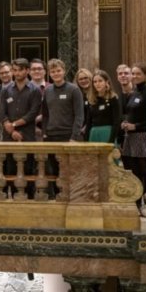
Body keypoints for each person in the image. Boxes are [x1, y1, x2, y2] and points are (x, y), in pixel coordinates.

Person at [41, 59, 85, 197]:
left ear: (64, 71)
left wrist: (74, 136)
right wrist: (44, 132)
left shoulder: (74, 89)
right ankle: (55, 196)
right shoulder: (47, 91)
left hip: (68, 136)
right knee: (52, 169)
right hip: (51, 136)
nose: (56, 73)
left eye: (58, 70)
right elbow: (45, 114)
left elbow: (79, 115)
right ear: (49, 73)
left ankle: (71, 195)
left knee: (69, 169)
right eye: (53, 71)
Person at [0, 59, 42, 193]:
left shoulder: (35, 90)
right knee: (10, 170)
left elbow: (32, 114)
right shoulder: (6, 90)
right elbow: (2, 112)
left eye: (20, 70)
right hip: (9, 136)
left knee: (28, 170)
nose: (17, 73)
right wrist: (10, 128)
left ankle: (28, 201)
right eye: (15, 70)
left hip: (27, 136)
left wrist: (14, 124)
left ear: (27, 71)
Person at [121, 63, 146, 203]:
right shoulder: (133, 93)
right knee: (132, 172)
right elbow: (129, 113)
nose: (134, 76)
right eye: (133, 73)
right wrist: (125, 123)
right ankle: (135, 201)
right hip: (130, 138)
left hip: (143, 138)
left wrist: (137, 126)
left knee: (144, 172)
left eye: (138, 73)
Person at [86, 70, 121, 143]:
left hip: (108, 133)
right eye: (95, 82)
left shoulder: (113, 98)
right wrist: (86, 140)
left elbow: (116, 122)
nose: (97, 84)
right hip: (94, 133)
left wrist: (111, 141)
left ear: (106, 82)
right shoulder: (92, 100)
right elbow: (88, 122)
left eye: (100, 81)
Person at [115, 64, 134, 146]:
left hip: (137, 135)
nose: (123, 75)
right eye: (120, 74)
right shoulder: (117, 97)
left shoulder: (139, 94)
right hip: (122, 138)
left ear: (131, 76)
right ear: (117, 77)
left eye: (126, 73)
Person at [75, 68, 94, 137]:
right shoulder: (77, 95)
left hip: (92, 129)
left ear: (90, 78)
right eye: (80, 79)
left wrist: (86, 127)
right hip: (79, 131)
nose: (83, 81)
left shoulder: (96, 94)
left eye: (86, 78)